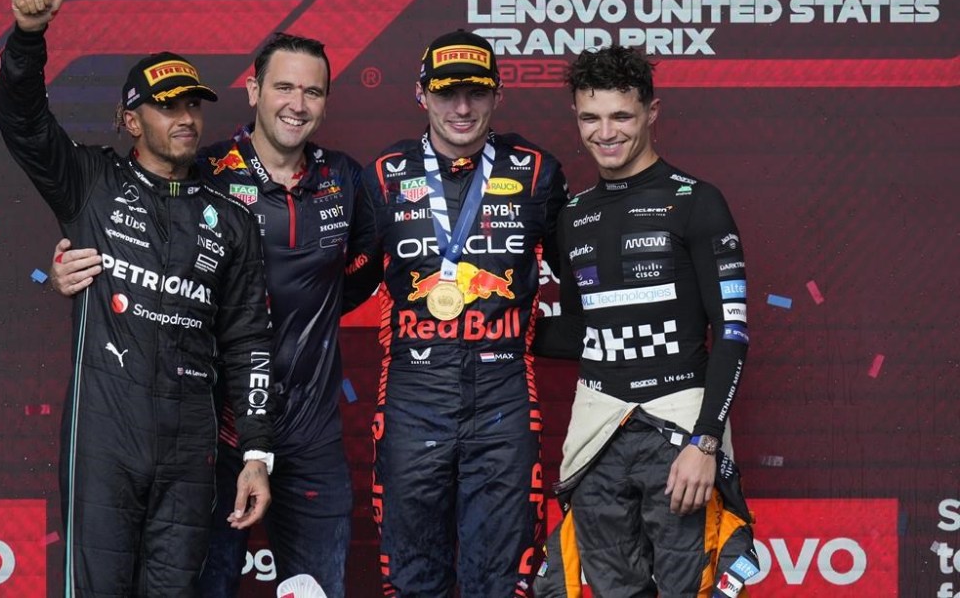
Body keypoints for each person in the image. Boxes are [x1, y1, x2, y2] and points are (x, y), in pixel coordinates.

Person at [51, 32, 366, 597]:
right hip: (216, 434)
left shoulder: (346, 178)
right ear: (253, 90)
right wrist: (73, 266)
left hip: (311, 431)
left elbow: (365, 274)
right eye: (285, 87)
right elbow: (137, 225)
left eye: (313, 91)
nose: (298, 103)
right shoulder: (204, 172)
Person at [0, 0, 273, 595]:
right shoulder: (89, 182)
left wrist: (257, 452)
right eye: (168, 105)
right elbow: (21, 120)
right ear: (129, 118)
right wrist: (29, 37)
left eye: (193, 105)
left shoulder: (231, 219)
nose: (185, 118)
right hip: (105, 434)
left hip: (192, 446)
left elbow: (250, 341)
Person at [345, 29, 569, 596]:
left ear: (498, 95)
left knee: (500, 577)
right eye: (447, 93)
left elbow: (584, 273)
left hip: (503, 401)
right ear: (421, 95)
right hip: (414, 400)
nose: (462, 108)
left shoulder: (538, 172)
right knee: (414, 575)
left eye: (476, 93)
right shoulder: (383, 176)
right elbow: (342, 284)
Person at [532, 45, 759, 597]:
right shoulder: (574, 216)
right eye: (591, 117)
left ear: (651, 113)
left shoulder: (697, 201)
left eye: (621, 116)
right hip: (598, 438)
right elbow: (587, 331)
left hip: (679, 436)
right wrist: (494, 327)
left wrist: (706, 443)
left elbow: (732, 332)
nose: (605, 132)